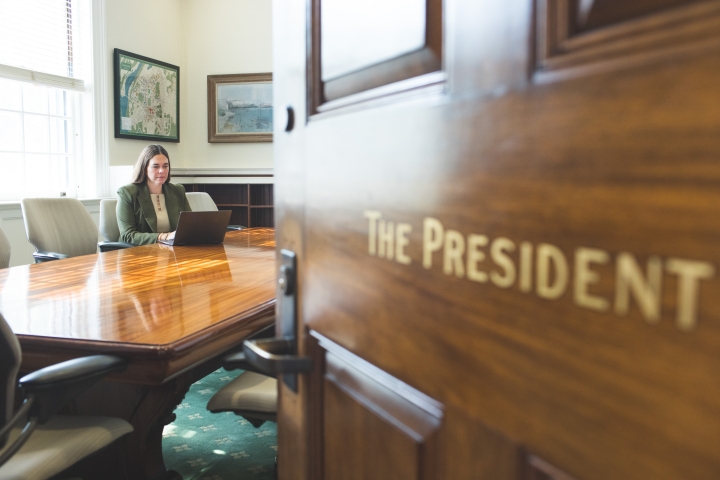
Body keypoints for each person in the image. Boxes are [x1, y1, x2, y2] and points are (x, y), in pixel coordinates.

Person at [117, 144, 192, 245]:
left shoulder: (178, 190)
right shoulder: (127, 193)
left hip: (173, 251)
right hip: (139, 253)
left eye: (165, 166)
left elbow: (190, 226)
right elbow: (128, 235)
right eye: (155, 166)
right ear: (144, 169)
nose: (162, 170)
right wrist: (164, 237)